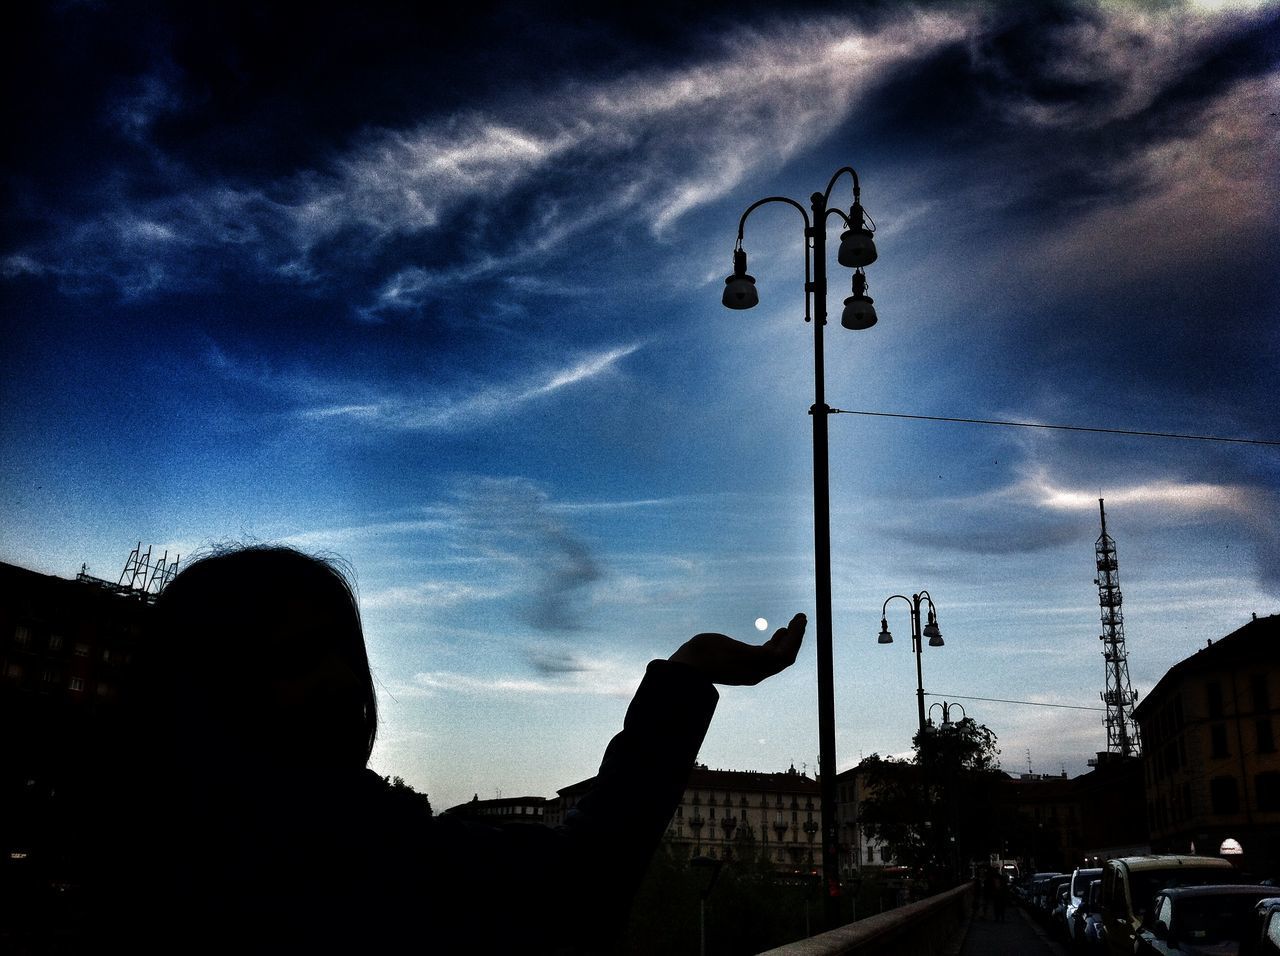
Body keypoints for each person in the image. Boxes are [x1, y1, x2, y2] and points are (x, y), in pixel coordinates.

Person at [102, 546, 806, 954]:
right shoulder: (333, 847)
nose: (341, 681)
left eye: (345, 654)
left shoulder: (158, 844)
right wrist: (687, 674)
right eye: (295, 658)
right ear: (207, 687)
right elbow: (576, 889)